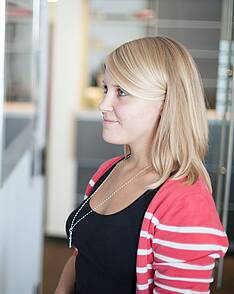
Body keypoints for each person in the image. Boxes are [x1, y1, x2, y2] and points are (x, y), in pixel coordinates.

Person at [55, 36, 229, 294]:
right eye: (106, 89)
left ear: (166, 104)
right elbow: (82, 256)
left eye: (121, 92)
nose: (103, 105)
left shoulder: (186, 204)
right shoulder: (107, 171)